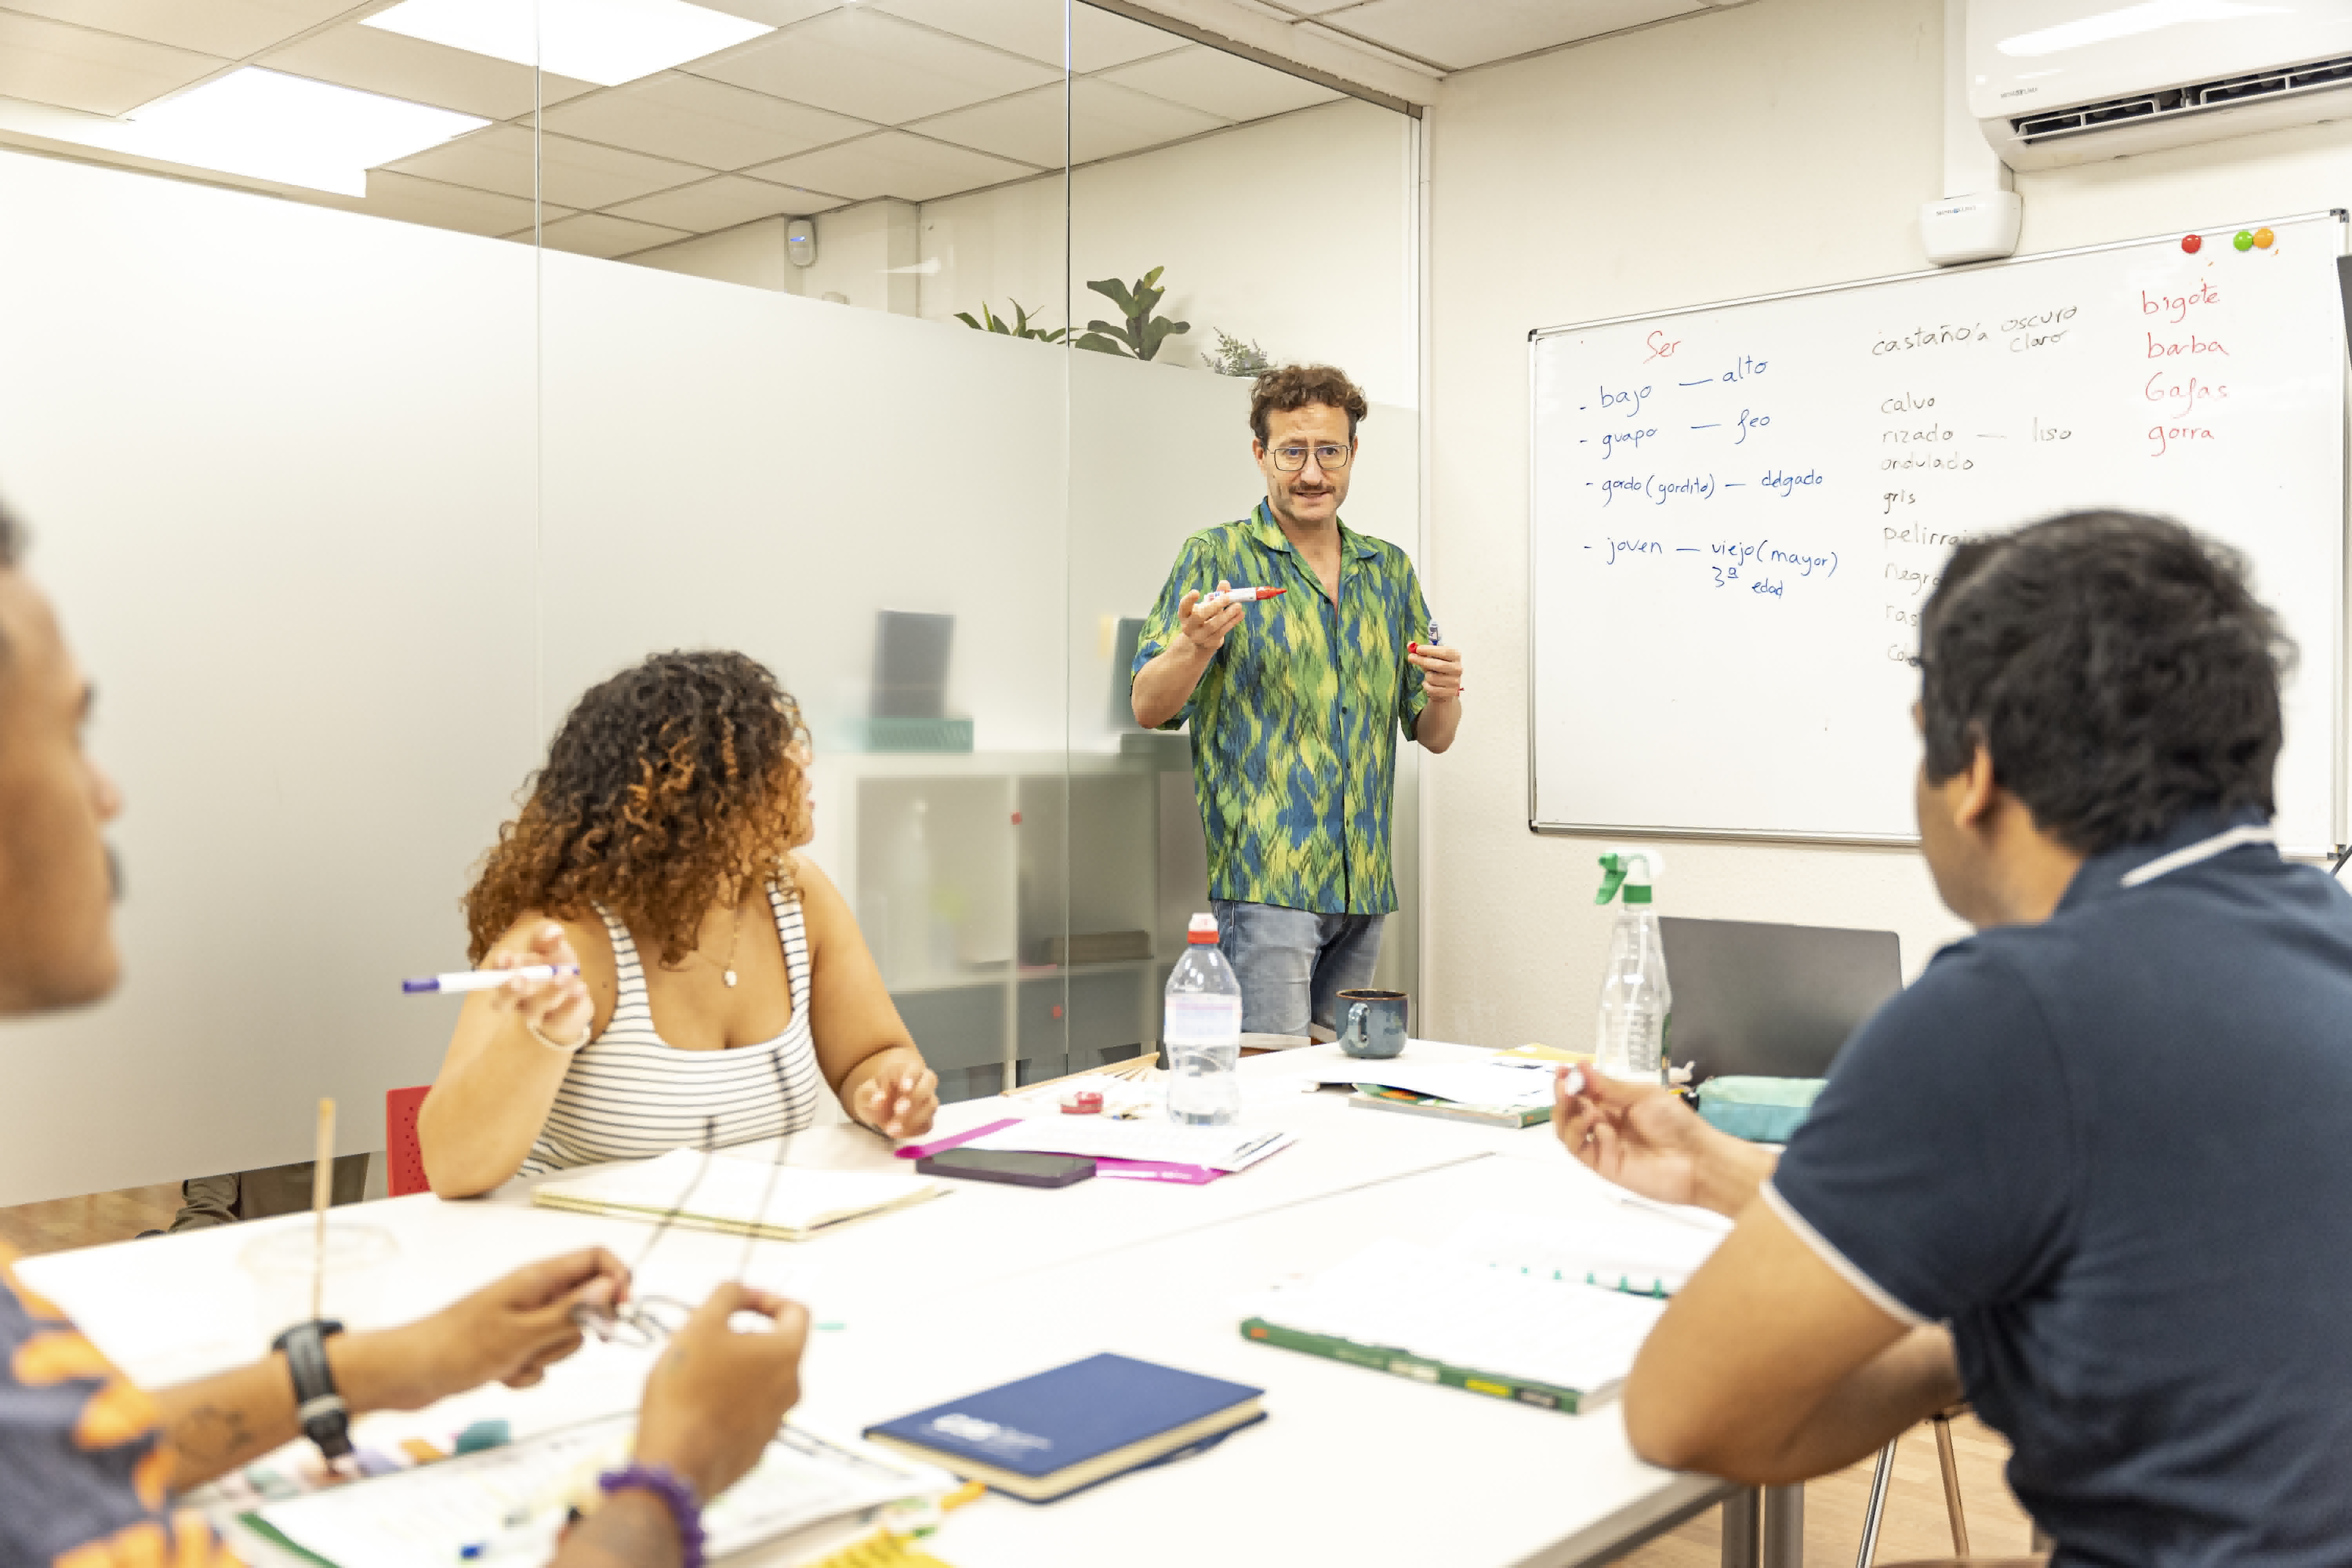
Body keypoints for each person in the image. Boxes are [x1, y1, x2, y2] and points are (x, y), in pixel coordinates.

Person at [0, 500, 807, 1566]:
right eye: (69, 732)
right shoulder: (565, 931)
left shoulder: (798, 901)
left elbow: (64, 1464)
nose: (106, 794)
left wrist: (396, 1365)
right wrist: (669, 1481)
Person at [1553, 511, 2352, 1563]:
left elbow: (1683, 1412)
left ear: (1971, 767)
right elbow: (2119, 1234)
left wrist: (1951, 1350)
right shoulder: (2320, 939)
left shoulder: (2018, 1010)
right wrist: (1723, 1173)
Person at [419, 652, 940, 1198]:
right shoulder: (569, 937)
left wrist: (887, 1091)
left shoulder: (799, 897)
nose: (804, 759)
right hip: (590, 1267)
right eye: (774, 747)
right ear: (701, 791)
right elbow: (451, 1170)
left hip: (746, 1256)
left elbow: (870, 1056)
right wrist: (543, 1035)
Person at [1130, 364, 1464, 1036]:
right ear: (1261, 455)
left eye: (1328, 452)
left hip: (1363, 885)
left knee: (1342, 1094)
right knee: (1269, 1091)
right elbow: (1148, 705)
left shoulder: (1388, 569)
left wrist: (1445, 693)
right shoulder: (1217, 555)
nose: (1312, 474)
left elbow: (1432, 735)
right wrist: (1194, 647)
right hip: (1266, 885)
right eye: (1292, 452)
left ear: (1352, 453)